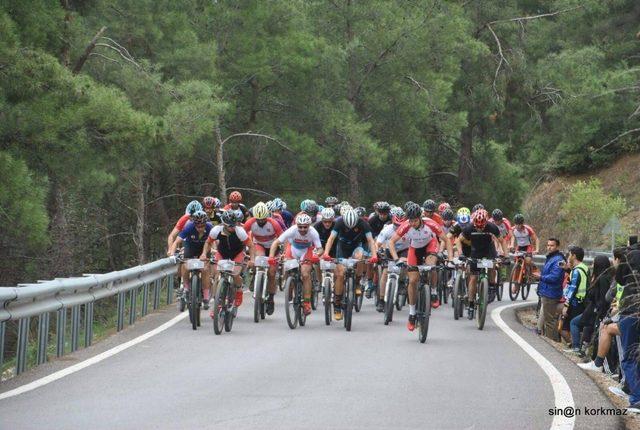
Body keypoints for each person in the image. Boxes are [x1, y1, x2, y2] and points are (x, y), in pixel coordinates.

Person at [389, 203, 452, 331]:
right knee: (412, 281)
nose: (412, 223)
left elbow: (447, 240)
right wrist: (396, 259)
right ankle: (412, 313)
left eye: (415, 220)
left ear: (420, 218)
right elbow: (391, 242)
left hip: (430, 245)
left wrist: (450, 260)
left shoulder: (430, 224)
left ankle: (433, 292)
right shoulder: (406, 225)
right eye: (410, 220)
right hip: (415, 249)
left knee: (430, 265)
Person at [322, 209, 378, 321]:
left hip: (356, 246)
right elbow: (331, 238)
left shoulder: (363, 223)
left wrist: (374, 255)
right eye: (348, 227)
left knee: (360, 258)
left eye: (353, 227)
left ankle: (357, 282)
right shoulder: (339, 222)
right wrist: (326, 253)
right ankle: (337, 305)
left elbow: (371, 240)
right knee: (341, 274)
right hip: (342, 247)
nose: (351, 229)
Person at [456, 209, 508, 319]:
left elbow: (502, 241)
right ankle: (470, 303)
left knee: (492, 265)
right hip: (476, 251)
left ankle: (492, 286)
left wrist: (506, 256)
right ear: (474, 222)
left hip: (489, 250)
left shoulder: (492, 227)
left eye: (482, 226)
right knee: (473, 278)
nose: (479, 228)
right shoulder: (469, 227)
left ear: (486, 222)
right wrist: (460, 254)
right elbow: (458, 240)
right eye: (477, 226)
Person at [201, 209, 255, 314]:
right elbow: (208, 243)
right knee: (217, 276)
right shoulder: (216, 230)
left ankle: (239, 291)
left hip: (237, 254)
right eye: (229, 226)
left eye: (233, 225)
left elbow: (251, 245)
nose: (232, 228)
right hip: (222, 253)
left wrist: (252, 259)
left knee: (235, 274)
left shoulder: (240, 231)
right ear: (224, 224)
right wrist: (203, 254)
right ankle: (217, 305)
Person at [269, 213, 322, 316]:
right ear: (296, 225)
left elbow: (320, 248)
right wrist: (271, 257)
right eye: (300, 227)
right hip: (292, 249)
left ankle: (306, 302)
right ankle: (289, 285)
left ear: (309, 226)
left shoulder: (313, 232)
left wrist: (316, 255)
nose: (302, 229)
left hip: (306, 250)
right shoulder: (292, 230)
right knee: (288, 269)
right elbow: (276, 243)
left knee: (305, 274)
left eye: (305, 227)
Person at [567, 255, 613, 356]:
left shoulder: (602, 278)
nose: (592, 265)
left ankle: (577, 347)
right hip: (593, 309)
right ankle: (583, 350)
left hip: (595, 310)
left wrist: (598, 311)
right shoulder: (601, 277)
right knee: (587, 328)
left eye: (594, 263)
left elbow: (603, 297)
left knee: (574, 323)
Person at [243, 202, 284, 315]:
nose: (260, 222)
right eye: (258, 219)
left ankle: (270, 298)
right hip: (259, 244)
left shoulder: (274, 223)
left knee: (271, 273)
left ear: (267, 216)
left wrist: (283, 252)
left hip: (273, 246)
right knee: (259, 259)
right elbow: (240, 234)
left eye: (263, 219)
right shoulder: (250, 222)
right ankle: (255, 276)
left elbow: (282, 238)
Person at [167, 211, 213, 309]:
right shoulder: (189, 227)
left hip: (204, 248)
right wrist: (172, 253)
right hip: (190, 247)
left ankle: (205, 296)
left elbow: (216, 241)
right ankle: (186, 288)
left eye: (202, 226)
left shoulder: (210, 227)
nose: (200, 228)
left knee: (205, 269)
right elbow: (176, 242)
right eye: (198, 226)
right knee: (185, 264)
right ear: (194, 224)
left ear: (206, 224)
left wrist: (215, 251)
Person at [532, 238, 566, 340]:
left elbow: (555, 277)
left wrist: (540, 277)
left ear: (557, 247)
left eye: (552, 245)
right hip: (547, 291)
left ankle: (551, 342)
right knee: (549, 319)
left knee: (550, 320)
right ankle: (550, 338)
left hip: (551, 293)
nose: (549, 247)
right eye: (548, 245)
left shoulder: (558, 260)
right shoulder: (551, 258)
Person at [561, 246, 589, 352]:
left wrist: (566, 305)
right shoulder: (585, 268)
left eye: (569, 254)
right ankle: (577, 347)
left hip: (575, 302)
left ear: (574, 256)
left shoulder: (576, 271)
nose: (568, 257)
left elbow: (572, 289)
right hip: (582, 301)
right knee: (575, 326)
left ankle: (576, 347)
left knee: (571, 325)